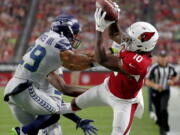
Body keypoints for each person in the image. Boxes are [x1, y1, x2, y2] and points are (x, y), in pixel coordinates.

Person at [69, 6, 159, 135]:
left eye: (131, 38)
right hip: (108, 87)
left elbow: (103, 60)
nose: (127, 38)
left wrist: (99, 30)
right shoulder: (136, 47)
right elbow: (115, 34)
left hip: (124, 101)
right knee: (74, 104)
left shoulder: (137, 62)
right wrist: (114, 18)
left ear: (141, 44)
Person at [4, 14, 97, 135]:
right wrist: (96, 92)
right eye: (74, 33)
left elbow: (57, 101)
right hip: (24, 89)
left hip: (14, 89)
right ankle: (21, 132)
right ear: (67, 30)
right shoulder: (57, 51)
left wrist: (78, 120)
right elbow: (66, 86)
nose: (75, 36)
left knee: (44, 122)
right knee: (53, 116)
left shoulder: (45, 39)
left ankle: (24, 131)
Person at [145, 50, 178, 135]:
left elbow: (175, 76)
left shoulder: (170, 67)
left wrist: (172, 81)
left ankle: (163, 130)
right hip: (155, 92)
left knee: (163, 109)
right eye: (161, 57)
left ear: (167, 58)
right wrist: (155, 85)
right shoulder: (154, 68)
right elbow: (147, 81)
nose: (163, 59)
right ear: (159, 58)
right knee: (159, 110)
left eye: (164, 57)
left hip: (165, 91)